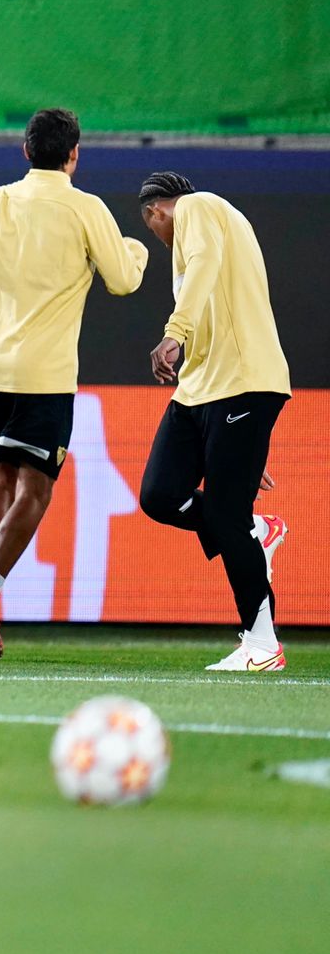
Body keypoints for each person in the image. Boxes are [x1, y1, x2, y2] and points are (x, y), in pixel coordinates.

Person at [0, 108, 147, 660]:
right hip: (45, 372)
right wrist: (136, 251)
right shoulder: (85, 207)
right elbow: (122, 281)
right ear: (74, 155)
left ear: (26, 151)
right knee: (37, 487)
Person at [133, 172, 291, 672]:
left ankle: (262, 643)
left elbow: (202, 266)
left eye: (154, 229)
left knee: (225, 513)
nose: (160, 240)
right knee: (159, 495)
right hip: (202, 388)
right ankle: (255, 531)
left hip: (242, 381)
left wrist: (172, 333)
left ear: (156, 212)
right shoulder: (215, 221)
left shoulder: (197, 208)